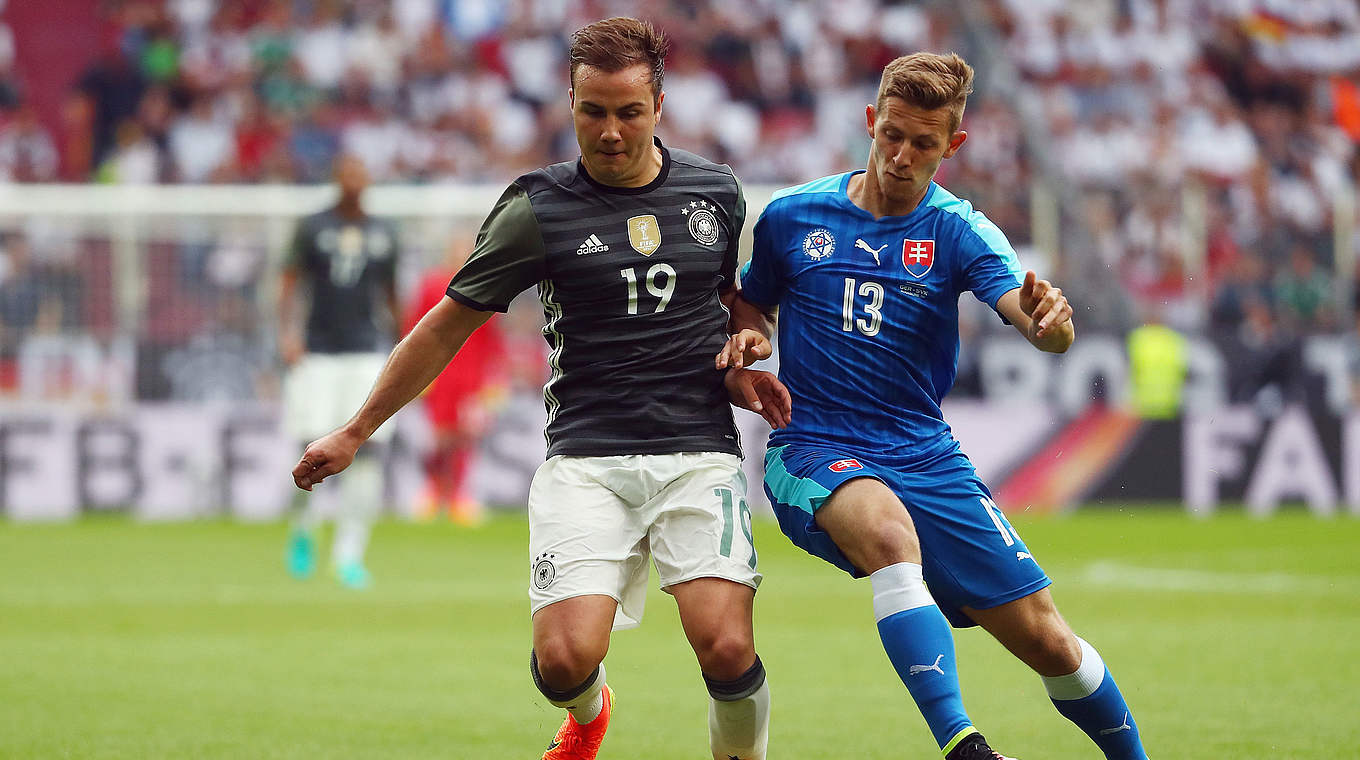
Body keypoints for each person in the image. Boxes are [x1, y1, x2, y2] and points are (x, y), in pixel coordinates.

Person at [291, 18, 788, 760]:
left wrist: (749, 344)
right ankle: (588, 713)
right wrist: (356, 429)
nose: (610, 131)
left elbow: (728, 301)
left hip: (697, 449)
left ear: (660, 103)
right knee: (562, 662)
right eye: (593, 111)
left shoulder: (715, 192)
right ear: (569, 102)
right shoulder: (537, 207)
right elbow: (441, 328)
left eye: (629, 111)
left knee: (724, 645)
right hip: (586, 455)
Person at [721, 52, 1149, 760]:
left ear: (953, 145)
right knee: (890, 536)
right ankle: (964, 746)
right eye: (891, 134)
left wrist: (1053, 324)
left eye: (923, 143)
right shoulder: (793, 216)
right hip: (813, 444)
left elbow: (1033, 317)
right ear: (870, 121)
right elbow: (753, 304)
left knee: (1050, 640)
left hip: (924, 452)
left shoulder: (958, 230)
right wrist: (747, 334)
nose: (901, 155)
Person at [279, 152, 400, 589]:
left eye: (360, 170)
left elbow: (391, 295)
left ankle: (350, 554)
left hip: (366, 354)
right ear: (336, 178)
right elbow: (289, 284)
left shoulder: (385, 232)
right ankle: (302, 535)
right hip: (317, 353)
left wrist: (401, 349)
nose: (354, 178)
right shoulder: (313, 227)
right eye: (347, 171)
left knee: (367, 454)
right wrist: (287, 335)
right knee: (309, 452)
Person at [401, 237, 507, 525]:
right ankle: (435, 491)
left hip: (470, 377)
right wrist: (415, 372)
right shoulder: (432, 284)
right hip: (439, 374)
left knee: (464, 437)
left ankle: (459, 496)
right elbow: (414, 327)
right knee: (438, 438)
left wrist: (492, 379)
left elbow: (491, 336)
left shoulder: (483, 284)